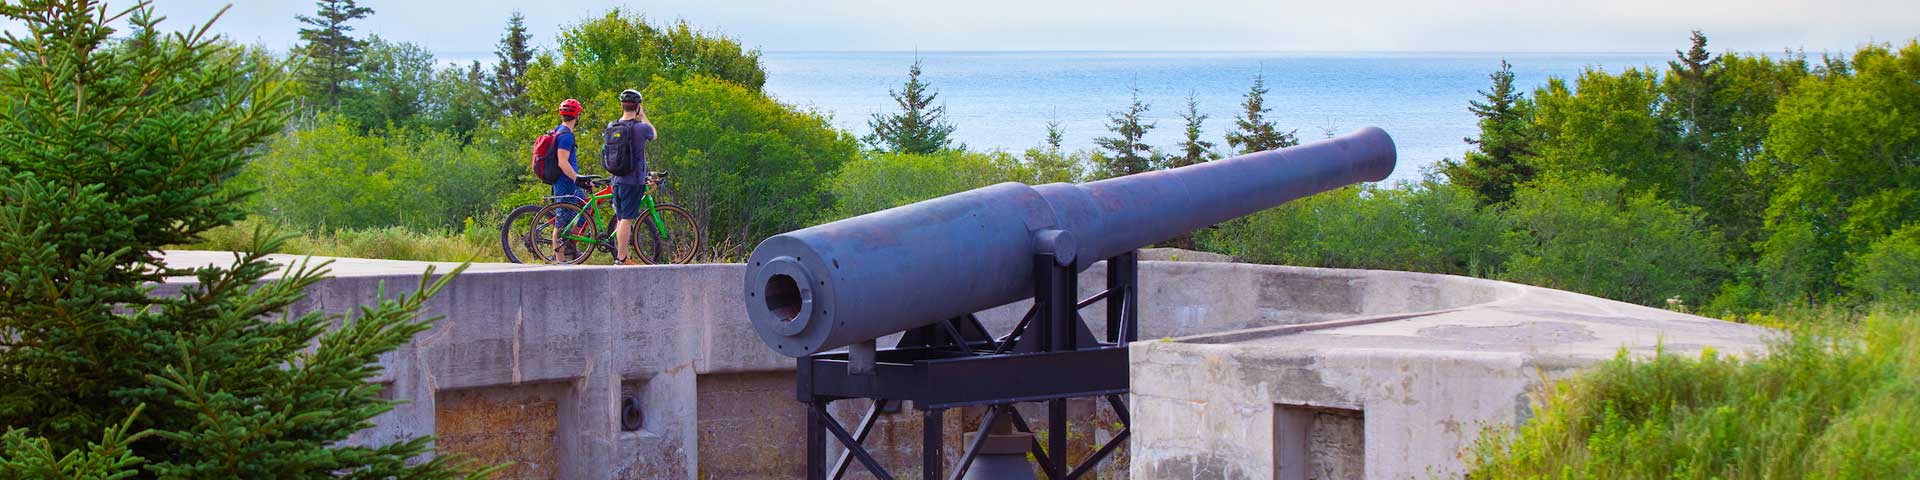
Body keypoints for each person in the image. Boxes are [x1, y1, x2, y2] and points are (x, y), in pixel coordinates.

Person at [609, 89, 658, 265]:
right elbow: (654, 134)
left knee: (621, 219)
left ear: (622, 105)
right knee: (627, 220)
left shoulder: (611, 126)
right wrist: (643, 116)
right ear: (637, 107)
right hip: (633, 180)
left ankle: (623, 255)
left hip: (616, 179)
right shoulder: (641, 127)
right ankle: (621, 258)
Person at [551, 98, 586, 259]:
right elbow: (562, 162)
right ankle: (560, 258)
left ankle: (570, 245)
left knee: (584, 209)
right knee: (562, 219)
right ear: (577, 116)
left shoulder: (560, 131)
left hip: (567, 181)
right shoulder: (566, 136)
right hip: (565, 182)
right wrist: (577, 179)